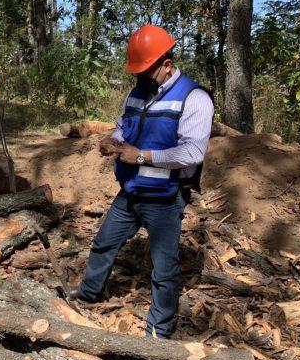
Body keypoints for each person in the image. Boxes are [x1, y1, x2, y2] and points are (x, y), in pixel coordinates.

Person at [69, 25, 215, 339]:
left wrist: (141, 157)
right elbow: (124, 125)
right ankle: (89, 292)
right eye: (137, 71)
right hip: (131, 190)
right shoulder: (137, 93)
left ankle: (158, 331)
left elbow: (192, 153)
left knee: (164, 268)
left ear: (167, 64)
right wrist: (114, 139)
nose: (140, 77)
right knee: (104, 243)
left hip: (164, 197)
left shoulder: (195, 98)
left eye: (146, 70)